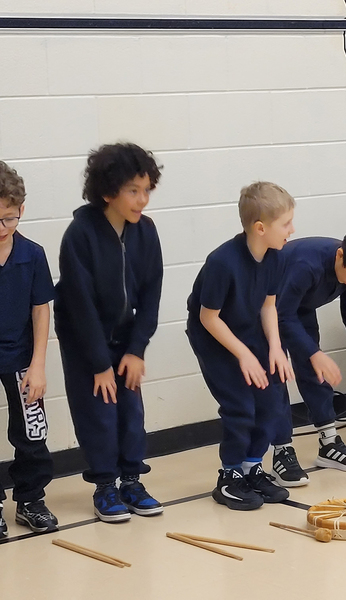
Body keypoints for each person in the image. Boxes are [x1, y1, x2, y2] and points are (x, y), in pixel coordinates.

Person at [55, 143, 164, 523]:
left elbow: (151, 293)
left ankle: (132, 481)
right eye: (133, 191)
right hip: (86, 340)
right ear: (108, 191)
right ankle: (105, 486)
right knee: (99, 412)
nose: (143, 199)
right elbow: (79, 305)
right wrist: (100, 364)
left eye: (147, 189)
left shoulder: (146, 232)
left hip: (125, 337)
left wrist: (137, 350)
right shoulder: (79, 235)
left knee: (131, 410)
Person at [187, 182, 296, 510]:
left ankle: (252, 468)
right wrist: (245, 355)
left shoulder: (275, 257)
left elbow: (268, 305)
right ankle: (230, 475)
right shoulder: (223, 262)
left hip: (249, 332)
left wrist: (275, 348)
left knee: (271, 400)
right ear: (260, 228)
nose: (293, 229)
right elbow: (209, 318)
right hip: (214, 338)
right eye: (286, 224)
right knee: (240, 407)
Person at [273, 226, 346, 483]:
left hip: (298, 309)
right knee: (276, 374)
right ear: (340, 256)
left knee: (314, 371)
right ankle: (282, 450)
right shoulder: (307, 266)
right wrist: (314, 353)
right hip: (266, 311)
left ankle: (329, 442)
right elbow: (281, 315)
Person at [0, 161, 58, 537]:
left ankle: (30, 499)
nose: (0, 229)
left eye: (7, 219)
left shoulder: (32, 254)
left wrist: (38, 365)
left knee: (32, 431)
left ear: (21, 210)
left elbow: (41, 310)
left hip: (20, 355)